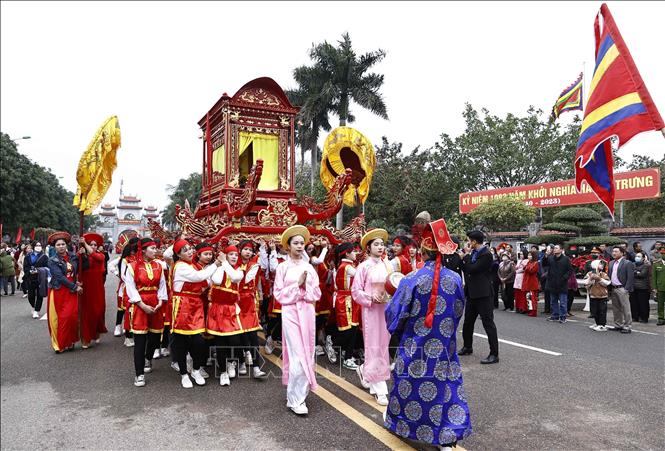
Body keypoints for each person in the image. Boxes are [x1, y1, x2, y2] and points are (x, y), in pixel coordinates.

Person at [384, 218, 472, 450]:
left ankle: (403, 426)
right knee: (446, 389)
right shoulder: (455, 279)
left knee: (409, 385)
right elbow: (458, 312)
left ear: (422, 252)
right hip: (445, 346)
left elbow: (393, 315)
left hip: (416, 345)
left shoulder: (411, 280)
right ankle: (447, 438)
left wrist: (403, 331)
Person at [273, 225, 321, 415]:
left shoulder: (309, 267)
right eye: (296, 243)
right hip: (291, 312)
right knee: (297, 356)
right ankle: (295, 400)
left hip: (308, 312)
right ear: (288, 246)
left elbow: (316, 292)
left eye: (302, 243)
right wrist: (297, 286)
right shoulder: (282, 267)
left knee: (307, 354)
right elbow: (278, 294)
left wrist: (305, 290)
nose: (300, 246)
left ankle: (296, 396)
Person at [171, 238, 224, 388]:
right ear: (179, 254)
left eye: (190, 249)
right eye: (185, 250)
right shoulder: (181, 266)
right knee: (181, 341)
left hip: (195, 305)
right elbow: (199, 278)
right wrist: (216, 264)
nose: (189, 252)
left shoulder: (192, 266)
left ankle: (195, 370)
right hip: (182, 305)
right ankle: (183, 374)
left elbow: (205, 282)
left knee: (199, 341)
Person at [351, 228, 393, 406]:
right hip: (370, 311)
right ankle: (380, 389)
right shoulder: (363, 267)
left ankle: (365, 370)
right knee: (374, 345)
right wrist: (369, 298)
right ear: (368, 248)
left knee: (383, 345)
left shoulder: (387, 265)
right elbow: (355, 291)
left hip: (385, 309)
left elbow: (394, 284)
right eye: (376, 244)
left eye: (382, 244)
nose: (380, 247)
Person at [124, 238, 168, 387]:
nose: (156, 251)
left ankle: (148, 357)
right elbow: (130, 288)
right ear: (143, 250)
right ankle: (139, 374)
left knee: (156, 338)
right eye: (153, 248)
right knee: (140, 341)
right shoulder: (131, 266)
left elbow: (162, 285)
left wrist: (161, 301)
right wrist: (142, 305)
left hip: (156, 302)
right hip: (139, 304)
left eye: (156, 248)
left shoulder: (159, 266)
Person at [207, 244, 245, 386]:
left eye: (236, 255)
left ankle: (231, 363)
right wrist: (221, 264)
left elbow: (235, 278)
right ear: (225, 256)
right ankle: (223, 372)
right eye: (231, 254)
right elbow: (216, 280)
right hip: (218, 310)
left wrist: (224, 262)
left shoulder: (240, 271)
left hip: (231, 310)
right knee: (221, 343)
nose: (234, 257)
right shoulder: (219, 269)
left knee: (234, 341)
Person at [459, 230, 499, 364]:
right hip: (471, 293)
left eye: (469, 240)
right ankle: (467, 346)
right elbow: (466, 269)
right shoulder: (474, 253)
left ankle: (494, 354)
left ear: (475, 241)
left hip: (483, 294)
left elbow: (472, 269)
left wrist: (465, 256)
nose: (468, 243)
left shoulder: (486, 254)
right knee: (468, 322)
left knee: (488, 324)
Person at [46, 232, 83, 352]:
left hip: (71, 291)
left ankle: (70, 341)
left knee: (72, 317)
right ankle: (60, 344)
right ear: (54, 247)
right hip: (59, 291)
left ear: (66, 245)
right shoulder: (52, 260)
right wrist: (74, 286)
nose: (61, 246)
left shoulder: (73, 256)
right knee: (62, 317)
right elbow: (59, 277)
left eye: (63, 244)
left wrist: (84, 253)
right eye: (58, 245)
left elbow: (78, 270)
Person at [236, 240, 267, 379]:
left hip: (249, 301)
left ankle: (256, 367)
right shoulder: (234, 263)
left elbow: (247, 281)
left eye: (250, 250)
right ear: (239, 250)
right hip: (236, 301)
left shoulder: (254, 265)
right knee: (240, 335)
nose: (248, 252)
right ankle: (241, 362)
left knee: (252, 335)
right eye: (245, 249)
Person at [332, 242, 361, 369]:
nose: (356, 253)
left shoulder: (345, 265)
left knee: (353, 330)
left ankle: (347, 356)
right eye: (353, 251)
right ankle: (333, 344)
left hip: (349, 299)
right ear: (347, 254)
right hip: (346, 300)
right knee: (348, 330)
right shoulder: (347, 267)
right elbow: (362, 276)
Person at [78, 233, 108, 348]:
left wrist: (85, 243)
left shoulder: (101, 256)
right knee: (86, 312)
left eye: (95, 245)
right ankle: (86, 338)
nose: (94, 246)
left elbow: (94, 255)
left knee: (98, 311)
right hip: (85, 287)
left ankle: (96, 332)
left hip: (98, 287)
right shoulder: (82, 255)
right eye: (91, 244)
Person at [542, 245, 573, 324]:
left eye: (556, 248)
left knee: (563, 302)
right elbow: (544, 264)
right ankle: (555, 315)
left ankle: (563, 317)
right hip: (552, 283)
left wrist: (564, 278)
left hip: (562, 284)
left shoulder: (566, 259)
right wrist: (546, 256)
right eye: (554, 248)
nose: (554, 250)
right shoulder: (551, 258)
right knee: (553, 301)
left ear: (561, 250)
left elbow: (569, 271)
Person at [608, 246, 635, 333]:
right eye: (613, 252)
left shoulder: (627, 263)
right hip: (613, 288)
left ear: (622, 253)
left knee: (625, 308)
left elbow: (630, 278)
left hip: (622, 288)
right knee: (616, 308)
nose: (614, 253)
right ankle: (618, 325)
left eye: (616, 251)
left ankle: (627, 326)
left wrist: (626, 289)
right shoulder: (611, 262)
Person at [22, 242, 49, 318]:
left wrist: (38, 270)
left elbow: (47, 267)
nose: (38, 247)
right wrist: (29, 272)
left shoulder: (44, 257)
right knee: (30, 295)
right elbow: (25, 267)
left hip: (40, 278)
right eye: (37, 245)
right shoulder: (28, 256)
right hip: (30, 278)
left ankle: (36, 311)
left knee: (40, 295)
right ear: (33, 247)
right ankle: (33, 306)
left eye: (40, 245)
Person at [584, 259, 611, 331]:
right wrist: (591, 279)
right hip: (593, 295)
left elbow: (607, 283)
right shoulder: (589, 274)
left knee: (602, 310)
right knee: (594, 311)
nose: (601, 265)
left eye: (602, 264)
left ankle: (602, 325)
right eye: (600, 264)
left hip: (602, 295)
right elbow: (585, 283)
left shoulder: (603, 274)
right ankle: (597, 323)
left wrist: (599, 279)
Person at [630, 252, 651, 323]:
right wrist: (637, 272)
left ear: (643, 258)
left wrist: (635, 272)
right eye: (636, 256)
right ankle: (635, 317)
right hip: (633, 287)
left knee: (643, 304)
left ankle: (644, 318)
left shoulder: (646, 265)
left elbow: (642, 274)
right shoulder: (632, 264)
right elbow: (630, 273)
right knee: (634, 303)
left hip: (643, 287)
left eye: (639, 256)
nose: (637, 257)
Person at [521, 251, 540, 317]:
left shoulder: (536, 263)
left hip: (532, 283)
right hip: (528, 282)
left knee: (532, 298)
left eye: (531, 255)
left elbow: (532, 271)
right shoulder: (529, 262)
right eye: (528, 255)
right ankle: (530, 310)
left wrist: (526, 268)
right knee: (528, 297)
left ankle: (533, 311)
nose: (529, 257)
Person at [651, 247, 665, 326]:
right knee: (660, 304)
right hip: (660, 288)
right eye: (662, 254)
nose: (663, 255)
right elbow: (654, 277)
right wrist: (654, 288)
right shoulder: (656, 264)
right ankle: (661, 318)